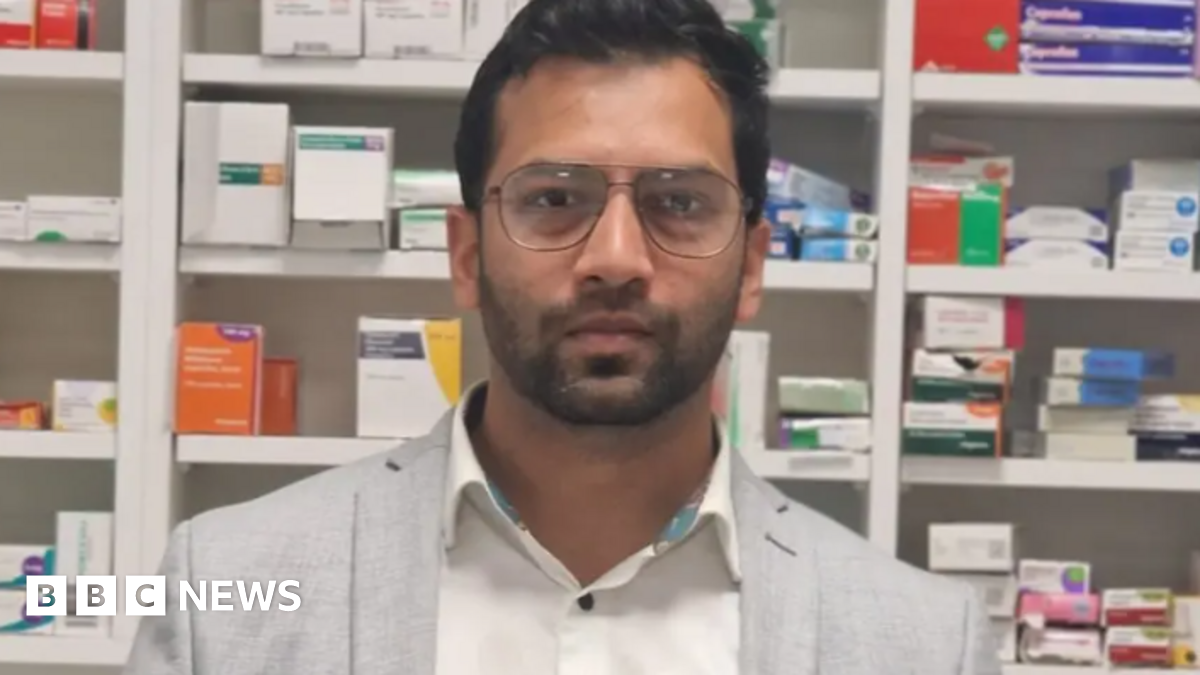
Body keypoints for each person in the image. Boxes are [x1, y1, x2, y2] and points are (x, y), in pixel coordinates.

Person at [124, 0, 1000, 673]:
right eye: (553, 198)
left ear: (754, 265)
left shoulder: (921, 642)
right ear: (465, 254)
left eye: (679, 203)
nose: (614, 258)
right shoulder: (224, 592)